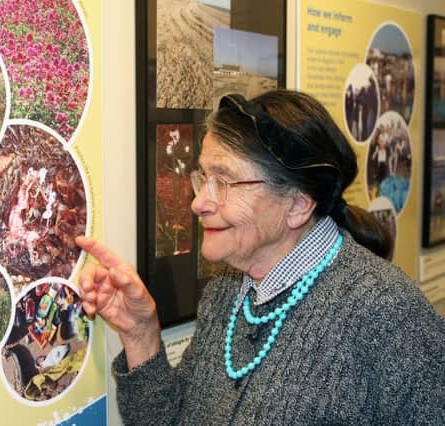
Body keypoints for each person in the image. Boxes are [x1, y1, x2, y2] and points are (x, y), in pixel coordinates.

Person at [75, 89, 445, 424]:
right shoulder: (225, 293)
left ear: (298, 205)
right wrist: (141, 334)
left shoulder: (388, 313)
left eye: (224, 182)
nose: (198, 202)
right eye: (203, 177)